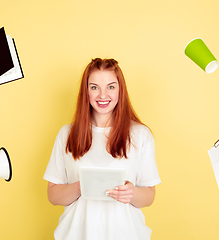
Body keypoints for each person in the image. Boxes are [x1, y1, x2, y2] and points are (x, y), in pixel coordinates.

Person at [43, 58, 161, 240]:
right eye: (94, 87)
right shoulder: (67, 134)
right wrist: (81, 187)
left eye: (111, 87)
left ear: (120, 90)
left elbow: (149, 196)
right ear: (86, 91)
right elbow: (53, 195)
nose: (103, 95)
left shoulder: (140, 135)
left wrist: (132, 193)